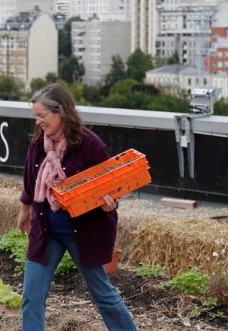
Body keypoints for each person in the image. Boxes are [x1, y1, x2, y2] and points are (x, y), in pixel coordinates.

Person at [17, 84, 137, 330]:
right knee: (31, 297)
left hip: (82, 231)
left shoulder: (90, 145)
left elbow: (111, 186)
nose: (38, 122)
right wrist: (25, 208)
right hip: (46, 230)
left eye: (42, 116)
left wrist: (109, 204)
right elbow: (30, 176)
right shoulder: (39, 142)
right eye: (35, 117)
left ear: (60, 112)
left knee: (103, 295)